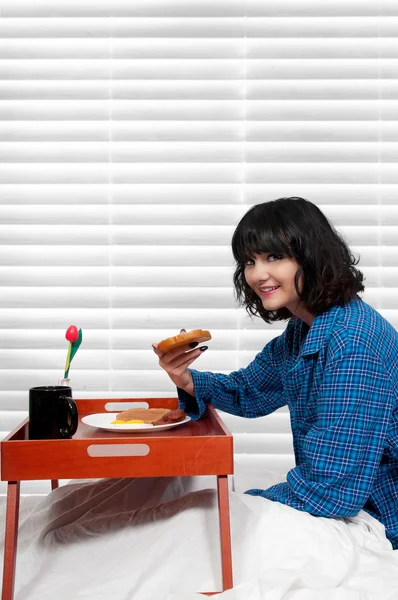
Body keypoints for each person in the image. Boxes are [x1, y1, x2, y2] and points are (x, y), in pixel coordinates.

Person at [152, 196, 398, 551]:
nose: (256, 274)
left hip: (378, 520)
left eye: (274, 257)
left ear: (312, 257)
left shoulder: (353, 341)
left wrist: (254, 500)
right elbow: (250, 390)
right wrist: (186, 380)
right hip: (347, 507)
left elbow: (332, 488)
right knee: (179, 518)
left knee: (191, 531)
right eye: (249, 261)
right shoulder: (306, 328)